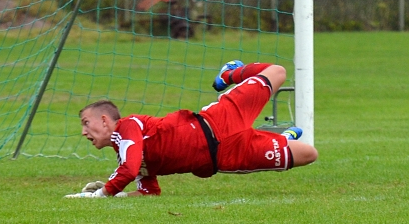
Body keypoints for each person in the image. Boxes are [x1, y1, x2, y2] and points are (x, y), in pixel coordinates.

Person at [67, 60, 318, 198]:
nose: (83, 132)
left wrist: (101, 194)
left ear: (103, 120)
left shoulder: (128, 127)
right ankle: (280, 138)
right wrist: (119, 196)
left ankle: (228, 75)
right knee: (308, 154)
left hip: (220, 119)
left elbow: (129, 170)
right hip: (226, 156)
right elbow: (149, 193)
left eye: (86, 123)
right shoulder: (127, 153)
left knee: (276, 72)